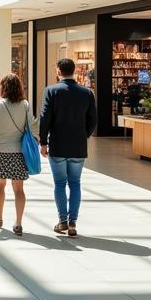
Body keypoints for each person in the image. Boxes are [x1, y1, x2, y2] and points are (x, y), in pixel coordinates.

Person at [39, 57, 97, 237]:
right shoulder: (87, 93)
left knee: (59, 183)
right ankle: (72, 223)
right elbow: (93, 121)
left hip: (57, 144)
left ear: (58, 71)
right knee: (75, 183)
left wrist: (43, 142)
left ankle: (62, 220)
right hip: (78, 146)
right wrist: (83, 135)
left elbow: (45, 118)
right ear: (74, 71)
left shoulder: (51, 91)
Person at [0, 73, 39, 237]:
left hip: (0, 150)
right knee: (19, 189)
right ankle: (18, 223)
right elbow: (32, 126)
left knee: (0, 187)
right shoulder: (25, 105)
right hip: (18, 152)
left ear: (3, 88)